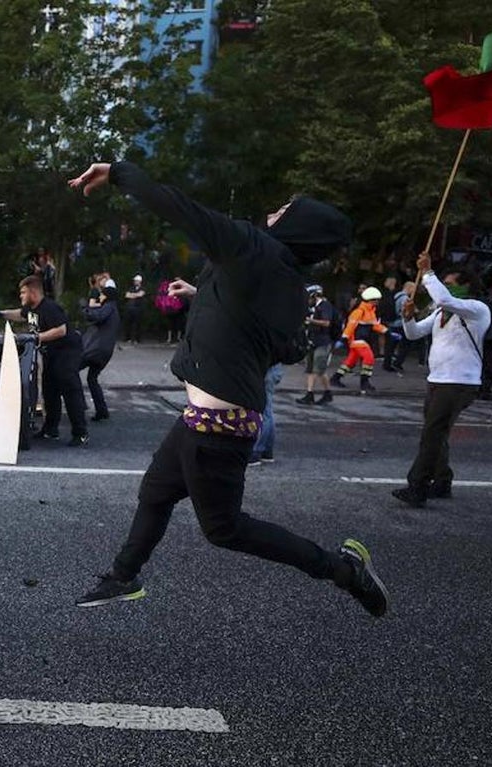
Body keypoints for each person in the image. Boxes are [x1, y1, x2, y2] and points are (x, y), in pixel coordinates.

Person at [67, 160, 388, 618]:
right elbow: (288, 347)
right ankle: (122, 577)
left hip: (218, 426)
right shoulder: (286, 282)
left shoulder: (251, 247)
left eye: (284, 209)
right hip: (206, 418)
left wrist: (119, 172)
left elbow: (180, 208)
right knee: (156, 492)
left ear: (300, 225)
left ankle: (343, 570)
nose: (273, 212)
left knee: (225, 529)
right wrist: (208, 299)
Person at [391, 253, 491, 508]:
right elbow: (413, 334)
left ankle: (418, 486)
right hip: (437, 379)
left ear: (466, 286)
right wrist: (407, 316)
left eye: (451, 283)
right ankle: (442, 480)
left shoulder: (477, 310)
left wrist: (427, 273)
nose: (446, 288)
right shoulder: (440, 315)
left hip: (459, 382)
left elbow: (444, 297)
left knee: (432, 433)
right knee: (438, 433)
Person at [0, 276, 88, 447]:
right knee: (49, 390)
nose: (21, 296)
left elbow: (61, 330)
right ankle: (50, 429)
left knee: (70, 389)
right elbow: (19, 314)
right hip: (51, 353)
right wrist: (0, 313)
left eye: (23, 292)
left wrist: (35, 337)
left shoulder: (50, 308)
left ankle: (80, 433)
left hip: (67, 352)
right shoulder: (31, 309)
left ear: (33, 292)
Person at [330, 286, 385, 394]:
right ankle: (364, 383)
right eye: (376, 300)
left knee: (350, 362)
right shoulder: (359, 311)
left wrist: (387, 332)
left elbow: (375, 325)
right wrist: (343, 338)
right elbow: (350, 326)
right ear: (371, 300)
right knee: (369, 358)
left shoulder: (370, 311)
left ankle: (335, 378)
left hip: (361, 340)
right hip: (357, 340)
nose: (378, 302)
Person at [81, 284, 120, 422]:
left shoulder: (108, 307)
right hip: (103, 352)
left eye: (102, 295)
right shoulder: (113, 309)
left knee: (71, 370)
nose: (100, 297)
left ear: (107, 296)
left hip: (95, 350)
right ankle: (101, 410)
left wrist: (87, 308)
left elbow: (95, 316)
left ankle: (79, 405)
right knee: (92, 379)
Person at [296, 285, 336, 405]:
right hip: (312, 341)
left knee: (320, 369)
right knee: (310, 369)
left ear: (315, 295)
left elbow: (326, 323)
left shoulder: (325, 306)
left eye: (309, 297)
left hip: (323, 342)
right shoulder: (313, 307)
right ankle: (309, 394)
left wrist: (310, 320)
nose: (307, 300)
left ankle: (328, 393)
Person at [249, 363, 283, 466]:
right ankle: (267, 451)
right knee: (268, 412)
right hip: (272, 370)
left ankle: (257, 451)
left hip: (266, 371)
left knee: (264, 413)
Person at [155, 278, 187, 344]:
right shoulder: (180, 289)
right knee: (178, 324)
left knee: (170, 324)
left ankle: (170, 338)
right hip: (179, 309)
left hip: (169, 309)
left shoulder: (167, 288)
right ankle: (178, 338)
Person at [123, 275, 146, 343]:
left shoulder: (143, 288)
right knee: (128, 323)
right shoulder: (131, 288)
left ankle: (137, 339)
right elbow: (127, 295)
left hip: (138, 308)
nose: (135, 282)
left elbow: (141, 294)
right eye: (134, 281)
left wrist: (132, 295)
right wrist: (135, 295)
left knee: (137, 324)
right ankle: (128, 338)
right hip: (130, 308)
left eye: (136, 281)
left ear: (140, 281)